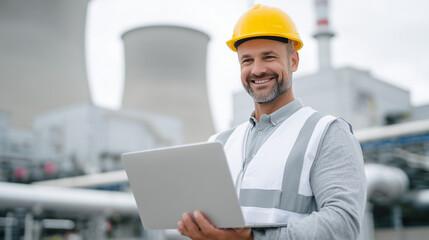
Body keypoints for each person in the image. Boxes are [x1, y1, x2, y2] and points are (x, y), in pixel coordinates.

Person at [178, 4, 366, 240]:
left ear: (294, 61)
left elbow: (342, 225)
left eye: (269, 57)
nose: (257, 70)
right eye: (247, 60)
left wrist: (252, 238)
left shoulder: (326, 133)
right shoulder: (218, 144)